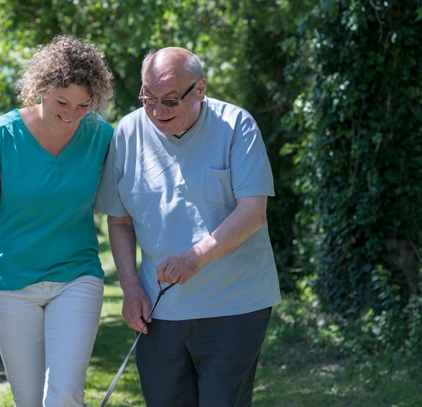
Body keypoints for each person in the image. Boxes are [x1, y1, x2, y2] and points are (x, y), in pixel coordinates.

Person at [94, 47, 281, 407]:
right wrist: (132, 289)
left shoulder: (236, 126)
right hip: (160, 310)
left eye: (169, 101)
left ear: (200, 89)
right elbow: (119, 221)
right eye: (148, 98)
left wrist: (195, 257)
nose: (157, 111)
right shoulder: (128, 132)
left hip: (235, 305)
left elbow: (254, 211)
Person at [0, 35, 114, 407]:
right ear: (39, 89)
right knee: (28, 400)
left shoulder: (101, 136)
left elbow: (130, 204)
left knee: (63, 396)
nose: (71, 115)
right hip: (11, 282)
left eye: (83, 105)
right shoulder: (1, 135)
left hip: (76, 276)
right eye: (62, 102)